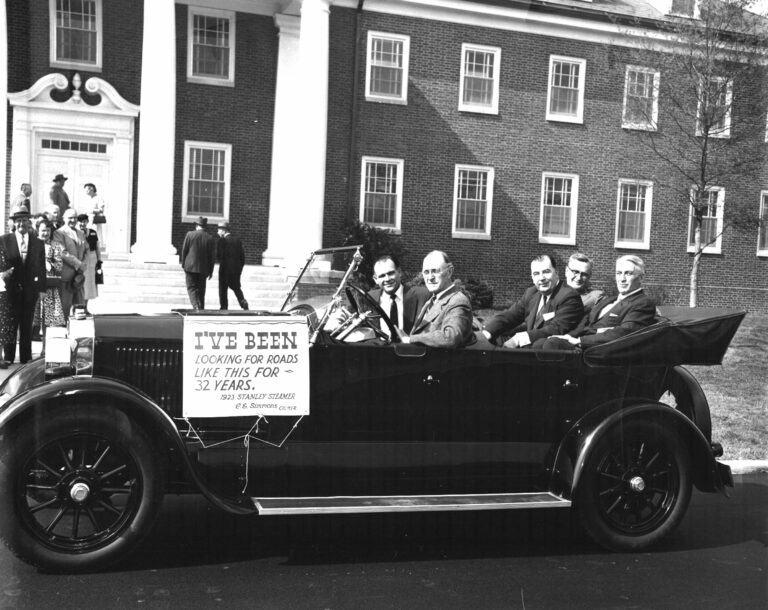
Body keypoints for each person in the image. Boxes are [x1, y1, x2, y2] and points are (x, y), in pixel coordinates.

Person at [539, 255, 657, 351]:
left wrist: (579, 341)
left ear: (641, 278)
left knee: (552, 344)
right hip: (585, 345)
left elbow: (624, 333)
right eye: (619, 273)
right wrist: (569, 336)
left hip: (599, 352)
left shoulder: (643, 303)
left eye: (628, 273)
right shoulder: (608, 300)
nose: (622, 279)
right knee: (539, 343)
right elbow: (585, 323)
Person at [482, 254, 584, 348]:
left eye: (546, 272)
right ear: (532, 278)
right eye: (536, 274)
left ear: (556, 273)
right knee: (493, 338)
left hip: (549, 352)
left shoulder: (569, 296)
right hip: (531, 347)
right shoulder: (532, 292)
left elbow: (556, 329)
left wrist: (519, 339)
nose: (541, 278)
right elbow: (510, 315)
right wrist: (486, 333)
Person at [0, 203, 46, 364]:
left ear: (29, 222)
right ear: (13, 222)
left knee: (26, 326)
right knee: (11, 324)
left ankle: (26, 358)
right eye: (18, 220)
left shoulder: (38, 243)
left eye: (24, 220)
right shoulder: (4, 240)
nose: (21, 224)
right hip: (10, 291)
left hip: (29, 292)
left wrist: (41, 289)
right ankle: (9, 357)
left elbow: (41, 269)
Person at [404, 250, 475, 348]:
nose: (430, 277)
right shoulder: (433, 300)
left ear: (449, 272)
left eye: (435, 271)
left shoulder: (457, 301)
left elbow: (451, 337)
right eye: (426, 272)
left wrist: (411, 339)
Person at [369, 255, 430, 334]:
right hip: (381, 345)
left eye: (390, 273)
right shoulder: (369, 299)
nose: (387, 279)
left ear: (399, 272)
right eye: (382, 276)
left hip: (409, 345)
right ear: (375, 279)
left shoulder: (422, 295)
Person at [33, 218, 66, 341]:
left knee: (48, 318)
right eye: (42, 230)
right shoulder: (32, 244)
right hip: (33, 286)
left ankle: (45, 347)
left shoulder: (55, 245)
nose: (45, 233)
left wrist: (49, 263)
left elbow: (59, 266)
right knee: (33, 318)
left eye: (47, 230)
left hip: (48, 286)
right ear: (37, 231)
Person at [54, 208, 87, 320]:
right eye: (70, 218)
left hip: (79, 276)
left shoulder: (81, 233)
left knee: (80, 306)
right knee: (65, 306)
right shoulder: (59, 233)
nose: (73, 220)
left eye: (75, 217)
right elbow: (62, 253)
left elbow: (86, 250)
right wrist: (78, 264)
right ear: (64, 219)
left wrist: (83, 266)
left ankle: (79, 333)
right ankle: (63, 331)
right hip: (66, 275)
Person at [181, 216, 215, 310]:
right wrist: (211, 271)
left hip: (190, 266)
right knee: (201, 290)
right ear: (205, 227)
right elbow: (212, 257)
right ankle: (201, 308)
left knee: (191, 288)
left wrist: (183, 264)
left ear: (197, 226)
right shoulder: (210, 238)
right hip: (203, 268)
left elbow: (184, 250)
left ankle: (196, 306)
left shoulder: (190, 234)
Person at [216, 221, 248, 310]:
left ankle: (224, 307)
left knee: (223, 290)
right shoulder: (237, 240)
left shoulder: (221, 240)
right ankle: (243, 302)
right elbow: (242, 257)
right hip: (235, 270)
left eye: (219, 230)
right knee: (237, 288)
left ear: (223, 231)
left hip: (224, 270)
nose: (218, 232)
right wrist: (239, 269)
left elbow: (219, 257)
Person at [77, 214, 102, 313]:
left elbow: (97, 248)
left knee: (89, 284)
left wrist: (99, 260)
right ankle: (77, 307)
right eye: (80, 221)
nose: (82, 223)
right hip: (80, 259)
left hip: (91, 259)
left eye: (84, 221)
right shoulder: (75, 233)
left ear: (87, 222)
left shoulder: (92, 233)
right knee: (79, 283)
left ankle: (85, 307)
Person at [83, 183, 106, 252]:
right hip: (89, 220)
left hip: (95, 221)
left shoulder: (99, 198)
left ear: (91, 189)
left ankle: (97, 249)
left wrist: (91, 211)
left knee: (95, 234)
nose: (86, 192)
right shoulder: (89, 199)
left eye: (87, 190)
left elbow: (101, 210)